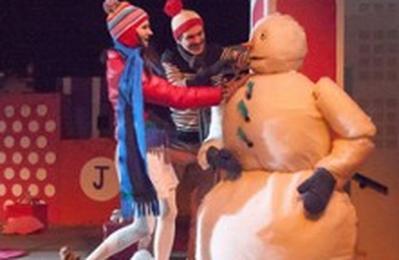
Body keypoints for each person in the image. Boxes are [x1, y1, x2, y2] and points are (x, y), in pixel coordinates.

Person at [60, 1, 239, 260]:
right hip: (142, 148)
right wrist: (217, 94)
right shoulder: (126, 67)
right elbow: (171, 94)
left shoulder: (132, 60)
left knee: (146, 224)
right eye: (144, 27)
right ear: (128, 31)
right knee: (165, 213)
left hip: (147, 144)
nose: (150, 32)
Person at [160, 1, 248, 258]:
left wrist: (246, 51)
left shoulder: (216, 52)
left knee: (202, 206)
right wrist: (216, 68)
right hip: (178, 142)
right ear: (179, 39)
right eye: (189, 37)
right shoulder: (171, 58)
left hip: (208, 143)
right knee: (165, 209)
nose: (197, 40)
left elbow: (245, 59)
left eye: (200, 33)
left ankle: (196, 256)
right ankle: (151, 254)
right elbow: (180, 88)